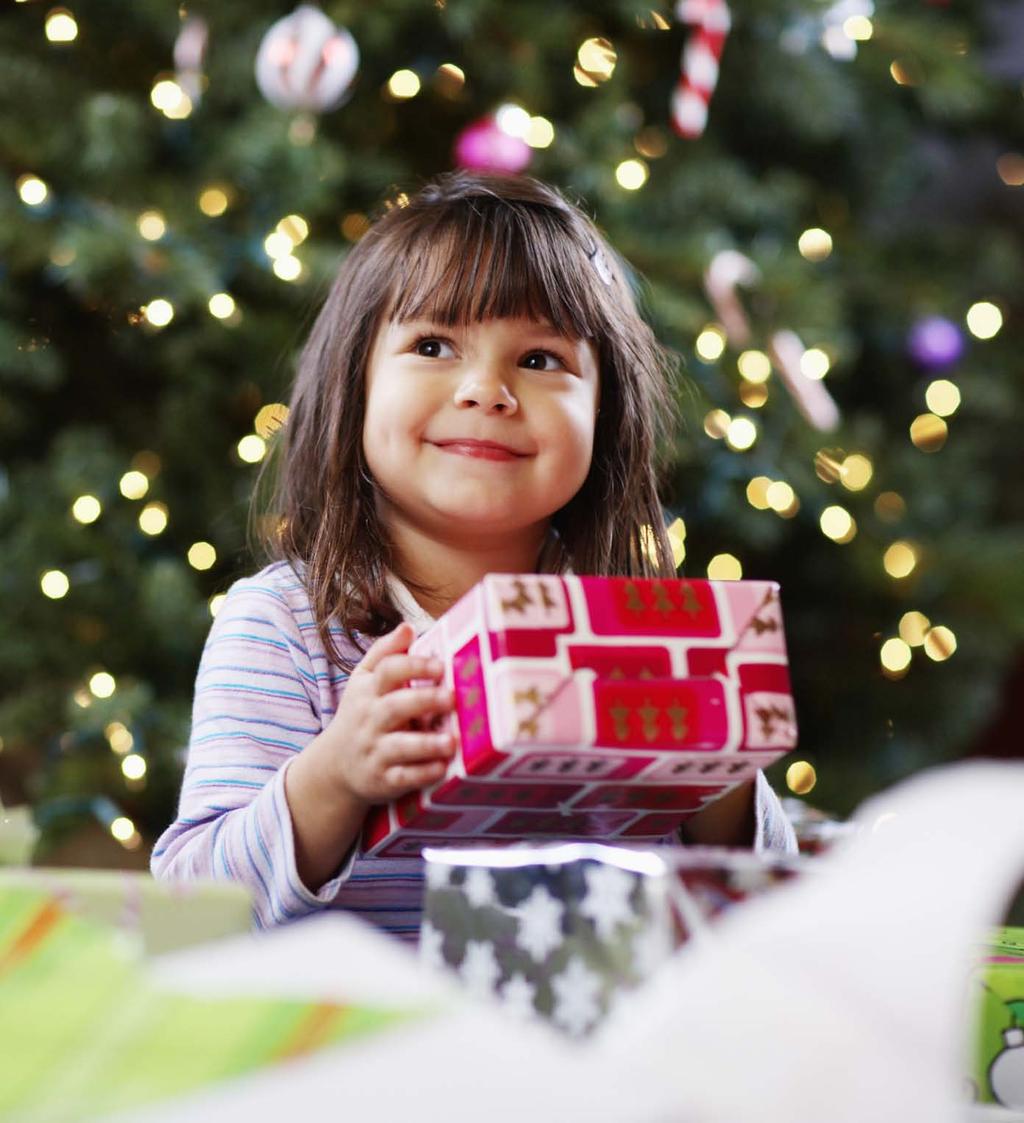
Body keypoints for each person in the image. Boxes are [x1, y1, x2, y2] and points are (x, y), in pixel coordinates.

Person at [151, 172, 795, 939]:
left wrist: (719, 776)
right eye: (432, 345)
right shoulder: (286, 626)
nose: (486, 389)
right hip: (352, 1041)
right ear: (354, 387)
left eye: (540, 359)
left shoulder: (633, 636)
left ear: (605, 414)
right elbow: (192, 909)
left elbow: (765, 917)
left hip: (576, 1046)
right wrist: (333, 776)